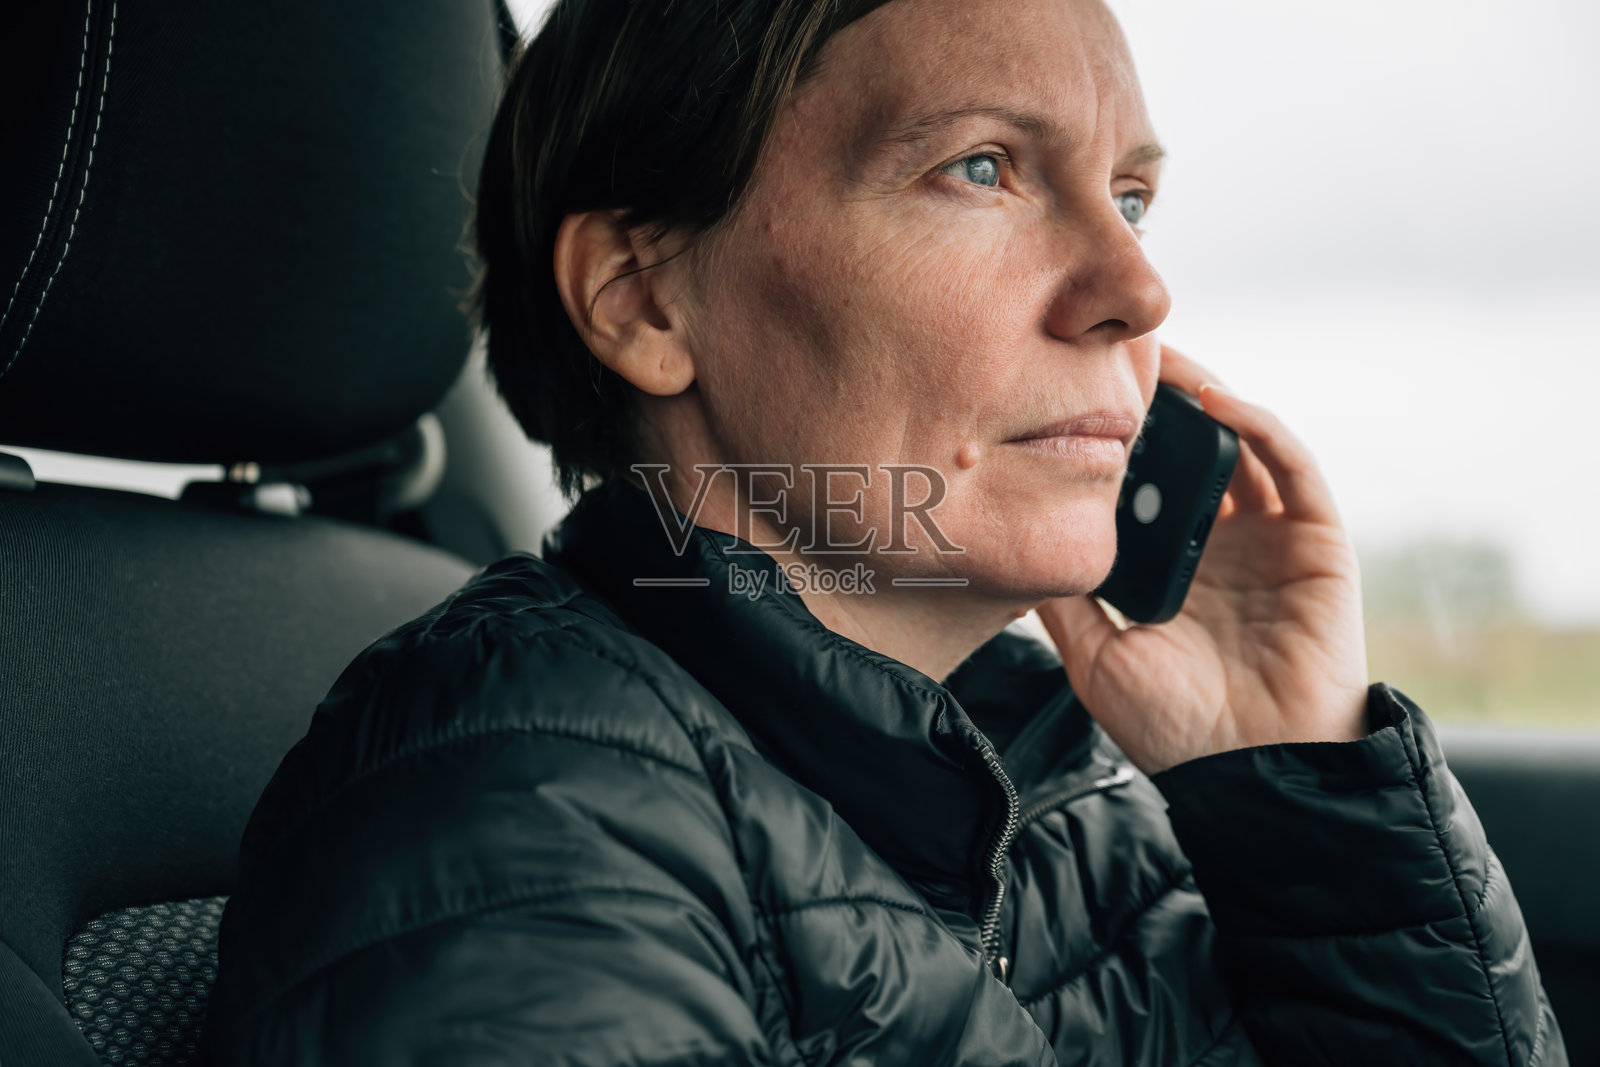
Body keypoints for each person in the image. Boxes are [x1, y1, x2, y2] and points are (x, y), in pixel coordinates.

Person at [209, 0, 1566, 1063]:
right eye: (983, 168)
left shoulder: (1074, 796)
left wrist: (1297, 781)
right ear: (642, 299)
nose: (1138, 289)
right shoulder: (521, 807)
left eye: (1131, 197)